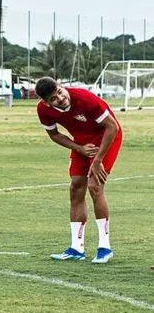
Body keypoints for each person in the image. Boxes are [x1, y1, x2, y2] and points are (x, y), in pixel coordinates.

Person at [35, 76, 123, 264]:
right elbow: (54, 134)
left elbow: (112, 127)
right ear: (46, 102)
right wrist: (79, 148)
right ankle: (76, 248)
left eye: (59, 92)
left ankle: (105, 247)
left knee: (95, 186)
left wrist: (98, 160)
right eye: (53, 98)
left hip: (107, 137)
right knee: (75, 187)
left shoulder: (84, 98)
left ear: (61, 86)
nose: (60, 98)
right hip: (81, 142)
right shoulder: (43, 110)